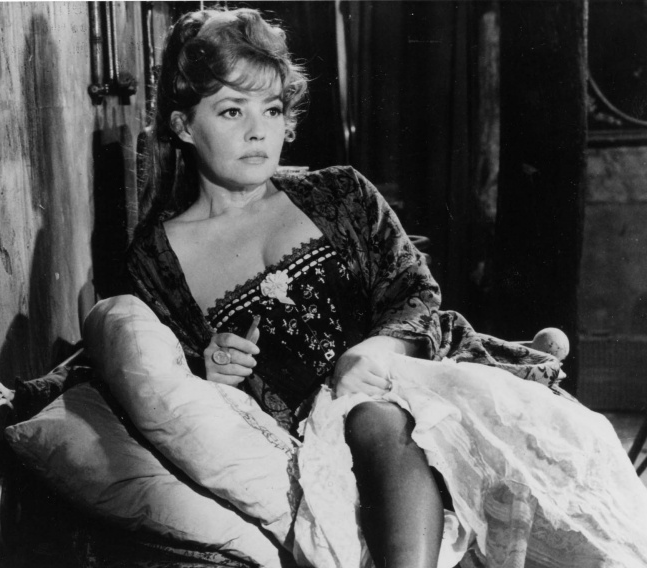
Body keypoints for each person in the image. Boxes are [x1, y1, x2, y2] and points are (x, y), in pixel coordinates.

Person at [111, 7, 647, 568]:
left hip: (421, 380)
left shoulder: (341, 192)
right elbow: (162, 373)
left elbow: (416, 293)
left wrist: (374, 350)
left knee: (378, 414)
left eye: (271, 108)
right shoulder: (157, 256)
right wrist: (211, 366)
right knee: (369, 418)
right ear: (183, 126)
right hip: (317, 436)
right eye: (231, 110)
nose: (257, 130)